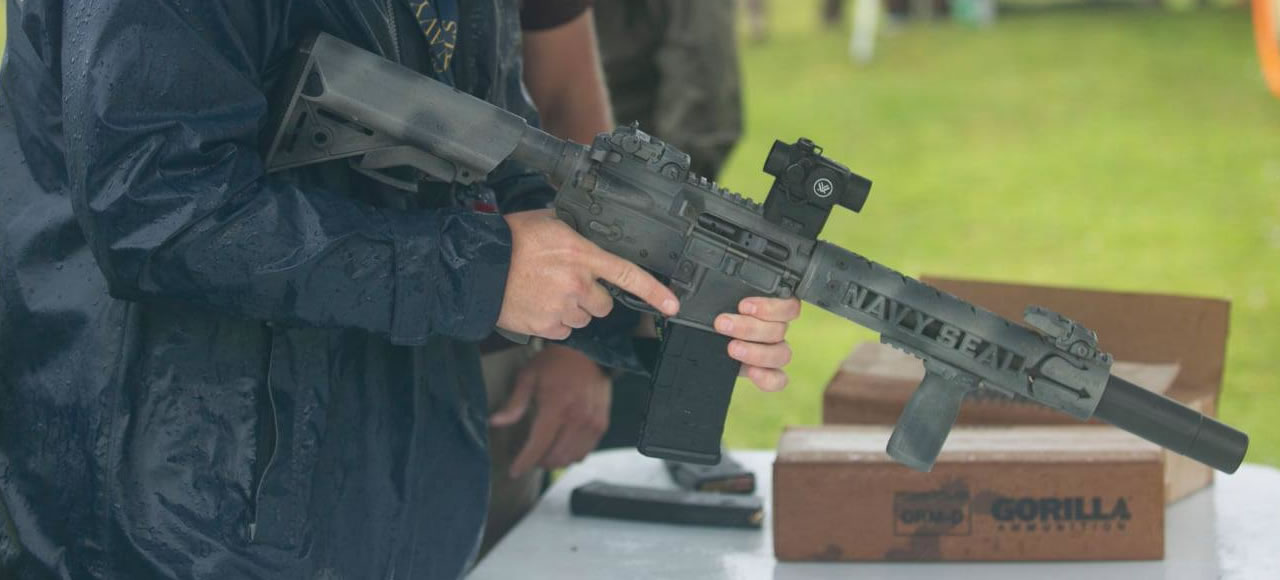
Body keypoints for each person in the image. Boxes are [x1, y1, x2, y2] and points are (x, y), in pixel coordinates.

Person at [0, 1, 801, 579]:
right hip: (176, 516)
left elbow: (492, 169)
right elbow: (158, 213)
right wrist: (483, 273)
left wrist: (660, 289)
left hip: (398, 492)